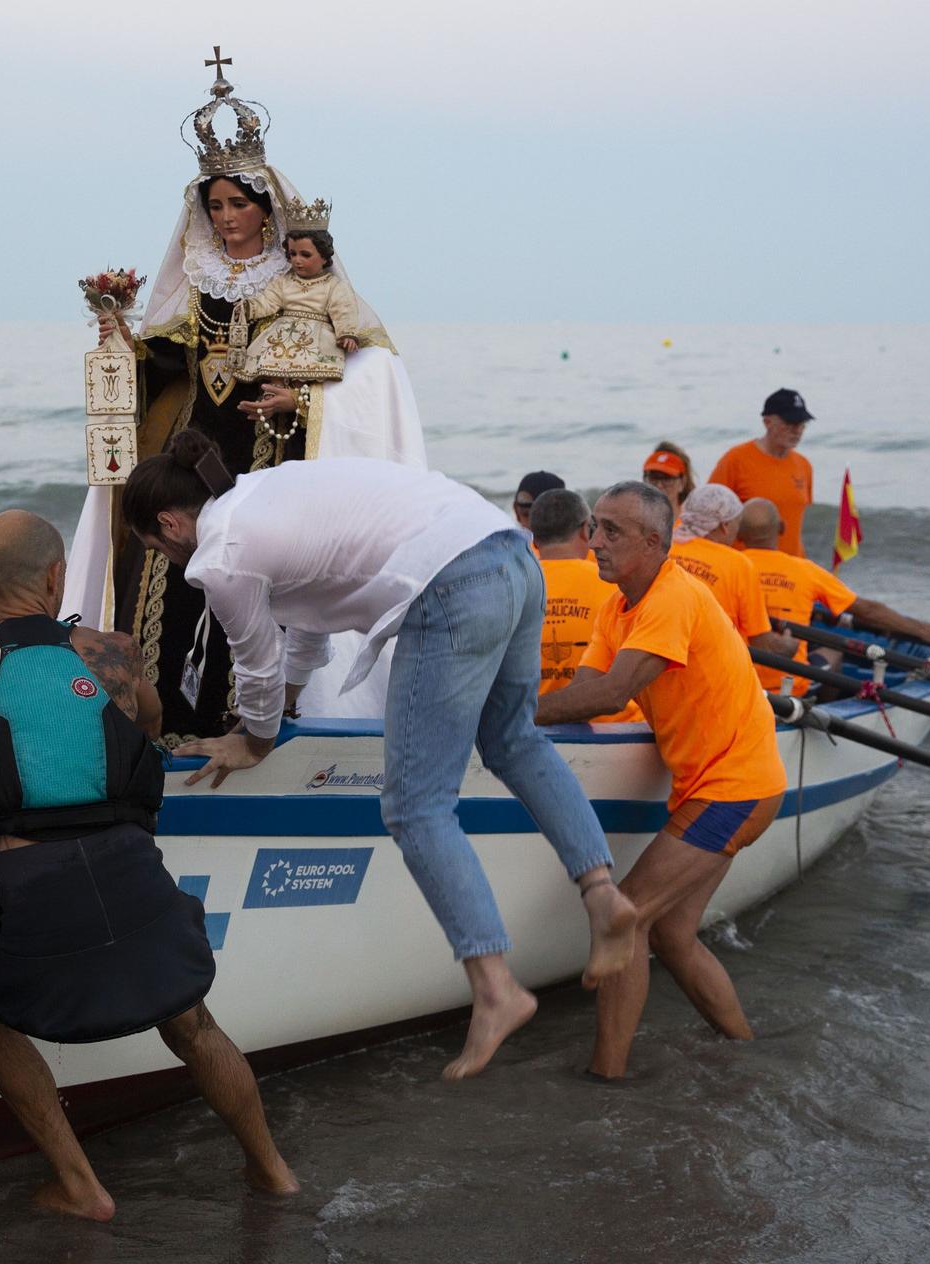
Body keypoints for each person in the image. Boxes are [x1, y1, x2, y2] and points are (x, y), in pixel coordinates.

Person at [121, 433, 638, 1081]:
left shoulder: (220, 554)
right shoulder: (265, 495)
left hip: (450, 585)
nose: (165, 559)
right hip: (513, 557)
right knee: (512, 738)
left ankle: (496, 986)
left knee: (418, 807)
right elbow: (308, 621)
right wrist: (283, 706)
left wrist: (254, 739)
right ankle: (601, 895)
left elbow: (254, 660)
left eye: (154, 547)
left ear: (169, 522)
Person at [0, 509, 298, 1218]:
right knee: (192, 1025)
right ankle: (272, 1170)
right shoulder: (115, 654)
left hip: (29, 892)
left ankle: (81, 1185)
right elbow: (145, 724)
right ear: (58, 578)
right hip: (131, 872)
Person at [63, 57, 427, 735]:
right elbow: (169, 361)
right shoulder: (197, 281)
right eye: (216, 206)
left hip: (269, 461)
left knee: (252, 588)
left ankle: (244, 721)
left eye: (238, 204)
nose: (226, 217)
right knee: (166, 579)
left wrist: (310, 403)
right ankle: (160, 719)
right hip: (191, 456)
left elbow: (367, 368)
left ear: (268, 209)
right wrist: (120, 334)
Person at [534, 481, 788, 1079]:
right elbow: (583, 696)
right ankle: (746, 1053)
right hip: (709, 787)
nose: (594, 542)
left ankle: (606, 1079)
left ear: (654, 542)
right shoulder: (614, 606)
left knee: (624, 916)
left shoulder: (672, 596)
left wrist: (504, 713)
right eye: (593, 526)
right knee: (672, 936)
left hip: (737, 784)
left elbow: (615, 691)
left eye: (612, 532)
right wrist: (525, 718)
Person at [737, 497, 930, 696]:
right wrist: (927, 631)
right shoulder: (805, 570)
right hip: (790, 685)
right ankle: (819, 708)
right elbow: (867, 611)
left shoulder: (730, 568)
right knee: (834, 652)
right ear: (782, 528)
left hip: (736, 680)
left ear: (738, 533)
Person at [529, 489, 643, 724]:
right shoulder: (616, 586)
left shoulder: (514, 584)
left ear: (534, 538)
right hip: (613, 727)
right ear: (584, 530)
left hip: (533, 721)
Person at [668, 484, 799, 665]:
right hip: (707, 668)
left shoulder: (661, 545)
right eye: (738, 524)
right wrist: (788, 645)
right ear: (725, 526)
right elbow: (763, 644)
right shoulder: (738, 564)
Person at [240, 201, 367, 385]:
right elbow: (269, 301)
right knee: (271, 362)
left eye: (305, 255)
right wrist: (248, 308)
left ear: (324, 256)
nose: (297, 260)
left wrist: (347, 334)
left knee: (307, 370)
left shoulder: (333, 285)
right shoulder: (284, 281)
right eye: (293, 254)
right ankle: (272, 394)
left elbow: (343, 310)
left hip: (316, 336)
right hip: (282, 334)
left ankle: (299, 397)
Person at [709, 388, 816, 556]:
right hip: (747, 568)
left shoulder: (804, 465)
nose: (797, 430)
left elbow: (796, 524)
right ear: (767, 422)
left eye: (802, 424)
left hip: (791, 569)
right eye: (790, 423)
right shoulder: (735, 460)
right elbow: (710, 515)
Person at [641, 441, 697, 522]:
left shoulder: (695, 522)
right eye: (653, 477)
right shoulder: (637, 520)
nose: (659, 485)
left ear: (682, 482)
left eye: (667, 478)